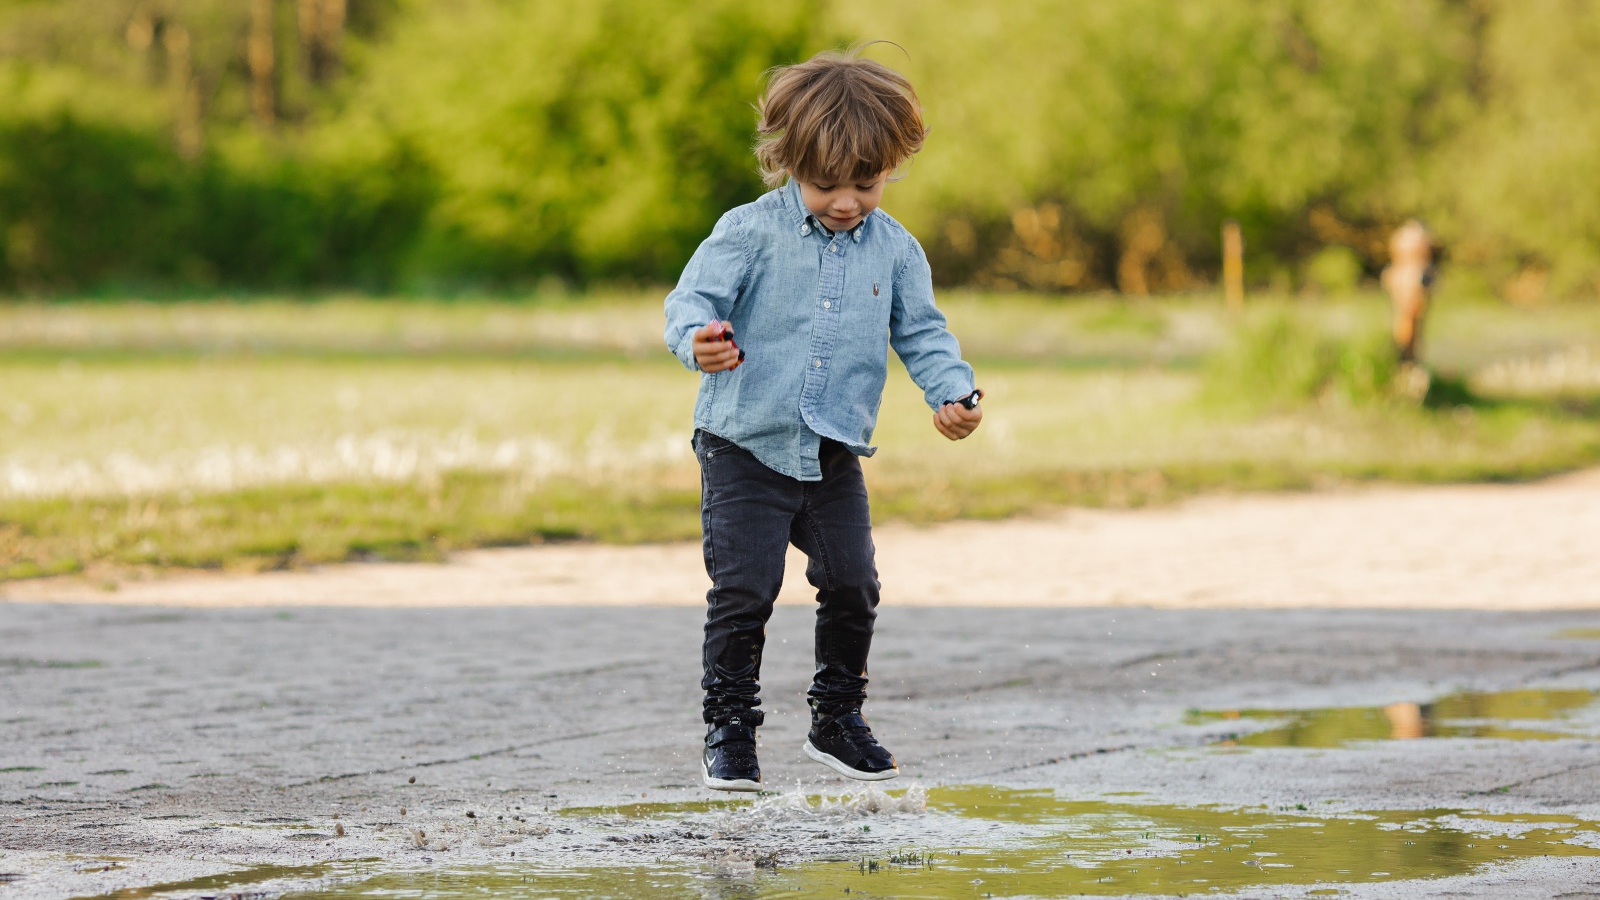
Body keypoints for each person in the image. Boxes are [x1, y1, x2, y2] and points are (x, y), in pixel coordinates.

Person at [663, 48, 983, 792]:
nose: (846, 201)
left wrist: (953, 393)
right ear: (786, 162)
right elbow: (691, 303)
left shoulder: (897, 250)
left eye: (864, 184)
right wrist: (700, 341)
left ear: (890, 167)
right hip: (743, 444)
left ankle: (836, 720)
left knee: (854, 584)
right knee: (745, 587)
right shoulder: (749, 231)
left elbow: (924, 333)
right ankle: (730, 730)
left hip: (834, 449)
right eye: (825, 184)